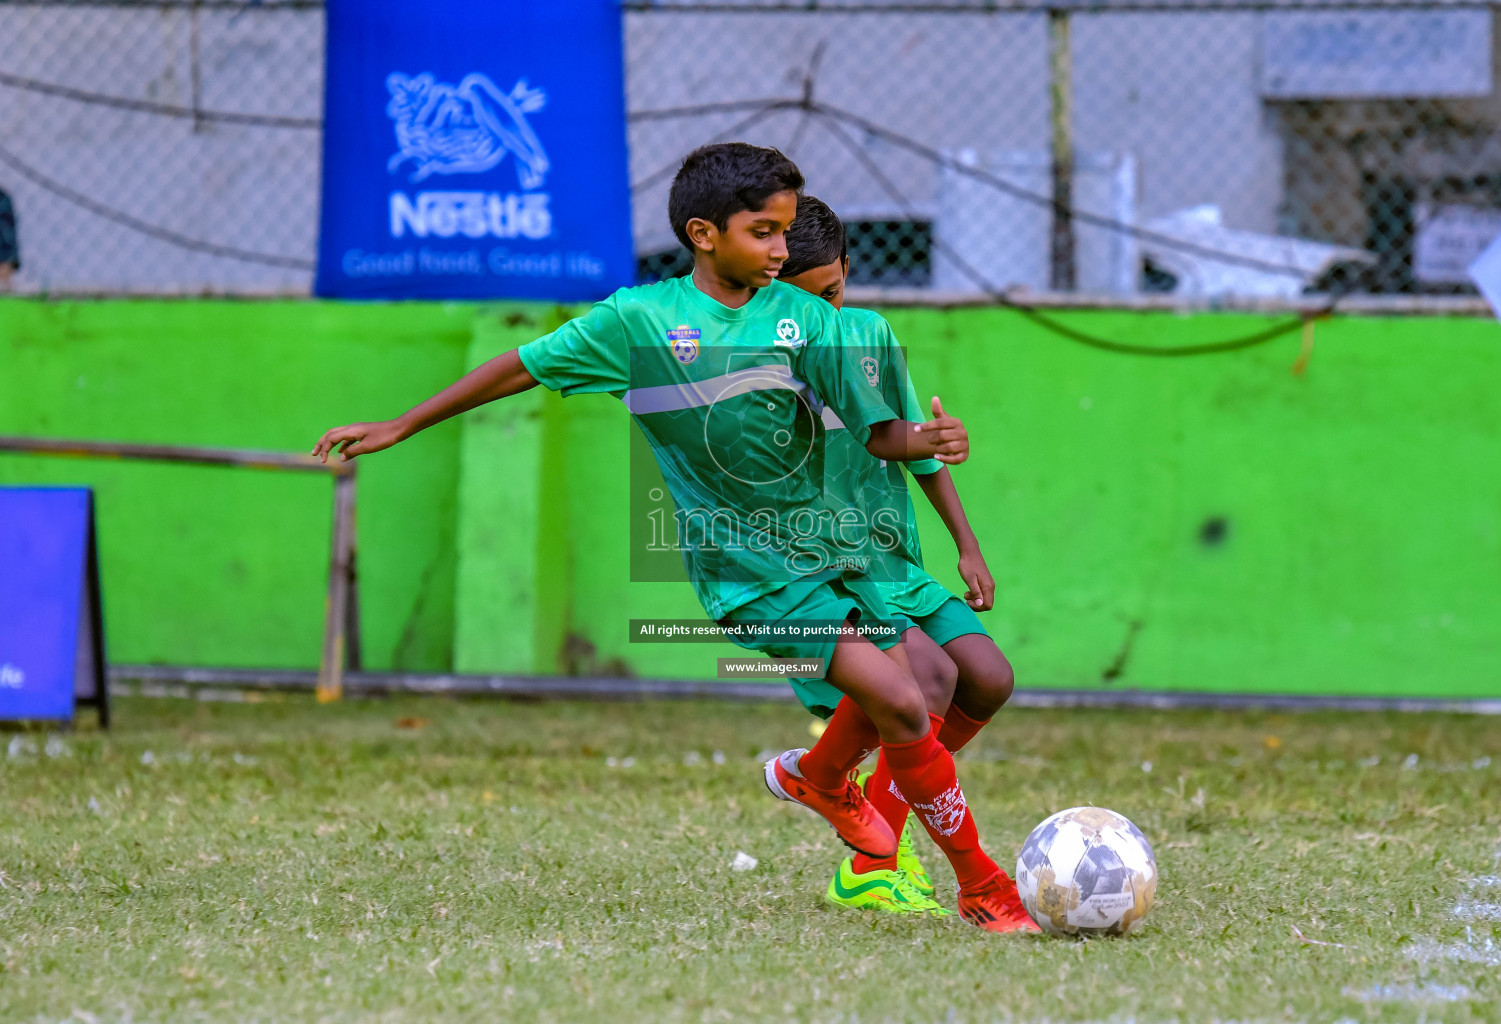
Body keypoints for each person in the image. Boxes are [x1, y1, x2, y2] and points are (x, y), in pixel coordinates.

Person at [313, 144, 1031, 933]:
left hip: (842, 556)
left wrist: (928, 439)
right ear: (702, 233)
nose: (781, 251)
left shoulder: (811, 320)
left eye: (787, 233)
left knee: (939, 687)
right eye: (764, 232)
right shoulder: (639, 321)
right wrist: (403, 424)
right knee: (904, 696)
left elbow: (879, 433)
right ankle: (980, 886)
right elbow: (521, 366)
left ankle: (831, 786)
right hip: (746, 567)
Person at [775, 197, 1032, 929]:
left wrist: (967, 543)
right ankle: (878, 863)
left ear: (848, 275)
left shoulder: (870, 337)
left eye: (832, 291)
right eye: (802, 301)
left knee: (987, 677)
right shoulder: (755, 360)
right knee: (923, 682)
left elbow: (908, 439)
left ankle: (873, 817)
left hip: (893, 560)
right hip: (818, 570)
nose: (823, 311)